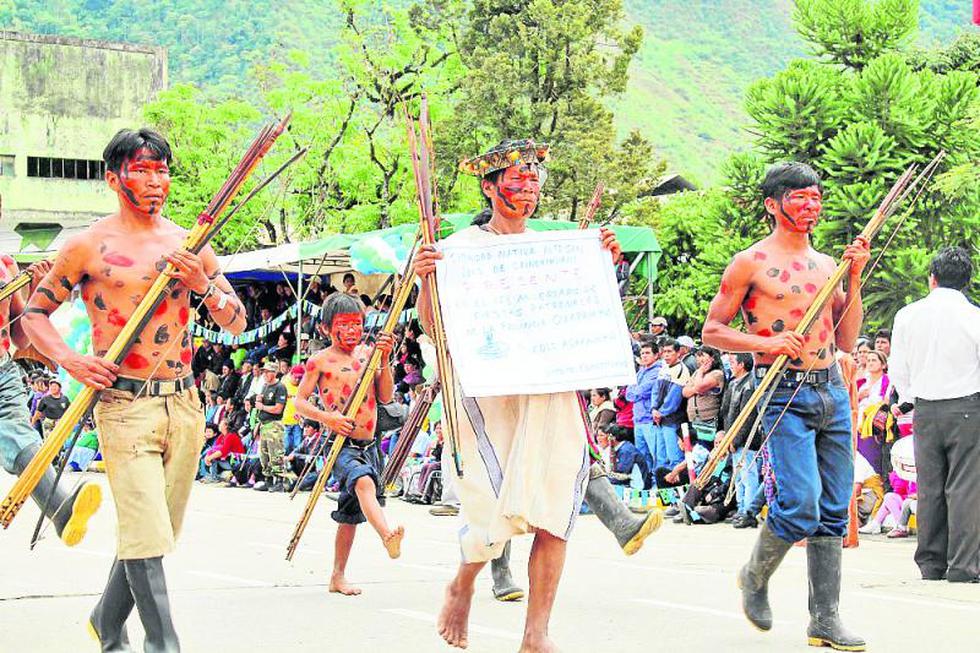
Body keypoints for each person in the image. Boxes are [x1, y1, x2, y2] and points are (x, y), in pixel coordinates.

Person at [417, 139, 662, 651]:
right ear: (490, 186)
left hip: (552, 388)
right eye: (515, 179)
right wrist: (425, 282)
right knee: (490, 501)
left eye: (534, 180)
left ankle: (536, 633)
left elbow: (583, 313)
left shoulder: (555, 246)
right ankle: (462, 583)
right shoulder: (461, 249)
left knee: (555, 504)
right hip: (489, 394)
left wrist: (601, 267)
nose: (527, 189)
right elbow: (435, 326)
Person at [22, 127, 246, 652]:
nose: (154, 181)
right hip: (123, 405)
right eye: (142, 170)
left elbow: (236, 322)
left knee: (157, 533)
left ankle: (106, 618)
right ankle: (161, 644)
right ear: (113, 178)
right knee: (145, 533)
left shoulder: (189, 243)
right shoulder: (88, 245)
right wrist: (72, 360)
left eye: (161, 169)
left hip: (185, 402)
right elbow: (35, 315)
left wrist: (203, 286)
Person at [702, 162, 870, 650]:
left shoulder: (826, 265)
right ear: (773, 205)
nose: (811, 206)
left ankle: (826, 618)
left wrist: (854, 278)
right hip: (783, 390)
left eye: (816, 198)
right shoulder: (749, 261)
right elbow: (713, 331)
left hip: (832, 389)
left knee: (834, 511)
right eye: (799, 197)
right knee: (800, 504)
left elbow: (847, 336)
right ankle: (754, 575)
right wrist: (767, 345)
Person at [294, 293, 403, 595]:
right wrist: (327, 418)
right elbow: (299, 402)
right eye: (344, 324)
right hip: (339, 443)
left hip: (369, 443)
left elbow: (385, 396)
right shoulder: (319, 361)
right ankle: (387, 535)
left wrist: (383, 360)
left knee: (350, 515)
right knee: (364, 483)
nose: (352, 330)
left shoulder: (368, 356)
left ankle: (337, 576)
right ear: (328, 328)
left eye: (357, 324)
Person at [0, 247, 102, 548]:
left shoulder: (6, 265)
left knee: (23, 442)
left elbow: (21, 337)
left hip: (3, 373)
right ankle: (61, 510)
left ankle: (62, 511)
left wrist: (34, 290)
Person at [889, 246, 980, 582]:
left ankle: (931, 563)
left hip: (924, 408)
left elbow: (898, 369)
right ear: (967, 283)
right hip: (968, 408)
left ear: (932, 278)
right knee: (965, 488)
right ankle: (963, 566)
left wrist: (911, 396)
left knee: (929, 486)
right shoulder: (974, 317)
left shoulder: (907, 315)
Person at [719, 353, 761, 529]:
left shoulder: (749, 386)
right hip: (732, 437)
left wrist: (735, 441)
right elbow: (725, 411)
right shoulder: (733, 383)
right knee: (738, 477)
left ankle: (749, 511)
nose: (729, 366)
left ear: (742, 365)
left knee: (748, 476)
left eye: (732, 362)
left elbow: (748, 417)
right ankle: (740, 507)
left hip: (746, 440)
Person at [650, 338, 689, 474]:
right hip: (658, 419)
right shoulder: (664, 368)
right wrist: (654, 408)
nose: (666, 355)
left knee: (674, 456)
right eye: (664, 352)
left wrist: (661, 412)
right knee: (660, 456)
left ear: (678, 353)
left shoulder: (682, 370)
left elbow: (674, 397)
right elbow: (655, 390)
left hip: (672, 419)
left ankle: (675, 486)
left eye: (669, 351)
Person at [624, 341, 661, 476]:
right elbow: (629, 394)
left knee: (656, 454)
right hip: (638, 419)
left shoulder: (657, 371)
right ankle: (647, 482)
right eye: (642, 353)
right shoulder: (641, 371)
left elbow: (640, 391)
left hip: (649, 419)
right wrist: (635, 392)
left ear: (656, 355)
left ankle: (658, 482)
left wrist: (635, 392)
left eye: (647, 353)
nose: (644, 356)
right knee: (642, 455)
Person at [253, 361, 288, 492]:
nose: (264, 374)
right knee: (264, 454)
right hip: (264, 424)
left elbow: (278, 409)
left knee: (275, 453)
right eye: (263, 372)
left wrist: (262, 407)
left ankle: (279, 480)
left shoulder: (280, 387)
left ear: (274, 373)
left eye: (267, 372)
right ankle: (267, 479)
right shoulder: (265, 386)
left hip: (274, 424)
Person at [682, 345, 725, 447]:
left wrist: (700, 374)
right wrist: (695, 389)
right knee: (697, 449)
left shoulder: (717, 373)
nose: (699, 359)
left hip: (709, 420)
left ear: (712, 357)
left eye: (702, 356)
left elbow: (700, 387)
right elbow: (684, 392)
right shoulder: (697, 373)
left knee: (706, 449)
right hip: (695, 419)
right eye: (698, 356)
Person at [282, 364, 304, 455]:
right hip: (285, 421)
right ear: (291, 374)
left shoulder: (303, 386)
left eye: (300, 378)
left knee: (297, 446)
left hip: (298, 422)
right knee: (286, 446)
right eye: (296, 377)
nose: (297, 380)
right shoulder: (284, 384)